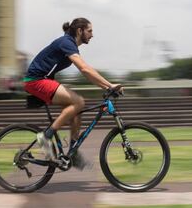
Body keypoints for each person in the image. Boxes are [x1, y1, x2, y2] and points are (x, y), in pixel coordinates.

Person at [23, 17, 122, 169]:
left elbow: (86, 72)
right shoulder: (67, 43)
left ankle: (73, 153)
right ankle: (45, 137)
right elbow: (85, 69)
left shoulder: (70, 44)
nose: (92, 35)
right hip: (35, 81)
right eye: (90, 31)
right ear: (79, 31)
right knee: (78, 101)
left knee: (77, 108)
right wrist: (109, 85)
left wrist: (107, 86)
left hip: (43, 80)